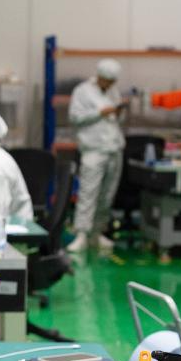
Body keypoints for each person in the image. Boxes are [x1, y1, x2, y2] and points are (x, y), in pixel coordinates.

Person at [66, 58, 126, 253]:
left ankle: (97, 232)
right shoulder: (82, 91)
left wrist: (118, 113)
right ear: (99, 76)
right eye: (107, 81)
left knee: (107, 195)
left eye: (112, 82)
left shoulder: (114, 91)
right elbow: (75, 117)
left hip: (114, 148)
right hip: (93, 149)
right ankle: (82, 234)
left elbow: (117, 119)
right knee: (88, 193)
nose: (109, 84)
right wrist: (100, 112)